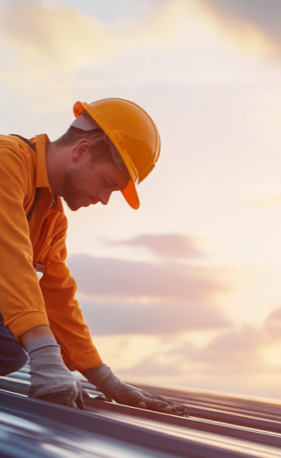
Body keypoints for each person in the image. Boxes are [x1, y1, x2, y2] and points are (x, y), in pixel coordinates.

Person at [0, 98, 185, 415]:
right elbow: (9, 258)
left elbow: (57, 295)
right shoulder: (7, 162)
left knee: (8, 349)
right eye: (107, 183)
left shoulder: (52, 218)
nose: (103, 199)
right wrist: (45, 356)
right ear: (80, 151)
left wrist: (103, 378)